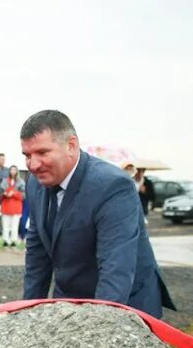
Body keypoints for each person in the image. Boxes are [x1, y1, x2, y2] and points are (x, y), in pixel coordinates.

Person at [20, 109, 174, 318]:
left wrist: (100, 328)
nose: (33, 164)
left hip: (126, 303)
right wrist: (28, 315)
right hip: (70, 299)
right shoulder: (35, 184)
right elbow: (37, 256)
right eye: (27, 155)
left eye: (42, 153)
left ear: (71, 146)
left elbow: (115, 267)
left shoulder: (112, 186)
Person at [0, 165, 25, 247]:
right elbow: (0, 193)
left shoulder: (21, 182)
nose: (13, 172)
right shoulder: (4, 181)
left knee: (14, 225)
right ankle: (5, 240)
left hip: (16, 206)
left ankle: (14, 240)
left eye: (14, 170)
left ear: (17, 171)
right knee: (5, 225)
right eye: (11, 170)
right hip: (6, 206)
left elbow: (24, 195)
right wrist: (5, 194)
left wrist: (14, 193)